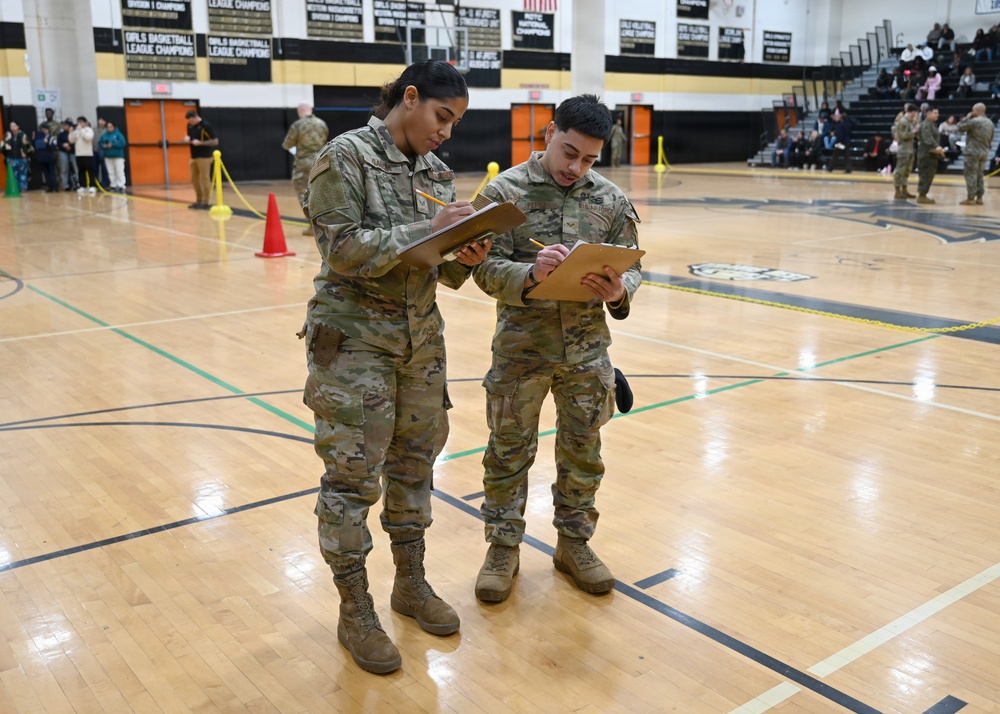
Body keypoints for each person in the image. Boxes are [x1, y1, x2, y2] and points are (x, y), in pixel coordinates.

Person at [302, 59, 490, 675]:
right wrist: (425, 229)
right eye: (442, 116)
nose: (447, 133)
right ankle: (354, 610)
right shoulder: (344, 156)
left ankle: (409, 584)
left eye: (455, 122)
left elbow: (437, 266)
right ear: (409, 98)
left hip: (419, 343)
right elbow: (344, 249)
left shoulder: (435, 170)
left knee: (415, 465)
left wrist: (467, 252)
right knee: (353, 479)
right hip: (355, 343)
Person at [470, 94, 641, 604]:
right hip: (522, 350)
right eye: (570, 152)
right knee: (507, 452)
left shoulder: (609, 199)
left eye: (589, 158)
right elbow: (477, 265)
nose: (577, 167)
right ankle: (503, 548)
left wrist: (620, 290)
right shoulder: (504, 194)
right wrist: (529, 273)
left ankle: (574, 544)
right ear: (548, 132)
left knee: (583, 453)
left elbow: (632, 265)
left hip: (587, 353)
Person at [282, 102, 329, 233]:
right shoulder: (321, 123)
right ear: (311, 110)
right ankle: (326, 225)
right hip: (321, 162)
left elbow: (287, 144)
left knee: (304, 195)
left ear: (299, 111)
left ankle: (312, 226)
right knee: (321, 194)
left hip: (303, 164)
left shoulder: (298, 125)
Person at [956, 102, 995, 205]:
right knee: (980, 174)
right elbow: (991, 137)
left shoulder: (974, 121)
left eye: (973, 110)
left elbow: (959, 127)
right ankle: (980, 197)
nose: (972, 112)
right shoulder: (990, 122)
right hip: (984, 151)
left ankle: (970, 197)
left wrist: (967, 117)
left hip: (972, 152)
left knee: (970, 175)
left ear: (977, 111)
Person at [182, 109, 218, 209]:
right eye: (189, 121)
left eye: (192, 120)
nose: (190, 122)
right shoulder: (189, 125)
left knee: (204, 178)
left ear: (196, 117)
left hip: (204, 156)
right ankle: (199, 200)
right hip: (194, 156)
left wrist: (201, 143)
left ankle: (206, 202)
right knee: (194, 179)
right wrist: (188, 139)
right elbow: (191, 137)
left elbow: (215, 141)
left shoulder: (206, 126)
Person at [915, 106, 946, 204]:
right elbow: (928, 138)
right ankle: (921, 195)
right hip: (926, 155)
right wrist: (937, 147)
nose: (937, 115)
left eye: (938, 113)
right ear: (928, 114)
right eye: (935, 113)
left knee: (929, 175)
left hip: (931, 154)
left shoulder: (932, 124)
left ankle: (923, 194)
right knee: (925, 175)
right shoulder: (926, 125)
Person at [892, 103, 919, 200]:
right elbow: (902, 136)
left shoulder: (910, 122)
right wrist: (914, 132)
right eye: (915, 113)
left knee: (907, 171)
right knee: (900, 170)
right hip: (903, 150)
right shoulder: (903, 122)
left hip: (909, 149)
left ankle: (904, 190)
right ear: (912, 112)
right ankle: (897, 191)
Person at [1, 121, 32, 192]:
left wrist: (27, 154)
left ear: (18, 126)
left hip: (22, 158)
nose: (12, 127)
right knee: (13, 174)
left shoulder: (23, 135)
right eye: (11, 126)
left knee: (23, 174)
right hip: (11, 158)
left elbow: (28, 146)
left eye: (14, 126)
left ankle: (23, 188)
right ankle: (15, 189)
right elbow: (2, 146)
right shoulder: (7, 135)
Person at [69, 116, 95, 194]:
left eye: (81, 122)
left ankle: (92, 186)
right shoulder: (77, 131)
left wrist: (82, 130)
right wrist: (71, 132)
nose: (79, 124)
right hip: (79, 154)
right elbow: (71, 140)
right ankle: (83, 186)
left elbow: (88, 138)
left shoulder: (89, 130)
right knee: (81, 171)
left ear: (85, 123)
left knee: (90, 170)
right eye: (78, 122)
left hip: (87, 154)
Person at [100, 120, 127, 192]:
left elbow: (123, 143)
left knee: (119, 171)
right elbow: (100, 143)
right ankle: (113, 185)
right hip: (108, 156)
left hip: (118, 156)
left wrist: (112, 145)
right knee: (111, 171)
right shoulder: (104, 135)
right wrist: (104, 145)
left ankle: (121, 185)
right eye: (108, 127)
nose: (109, 128)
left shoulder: (118, 134)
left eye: (111, 126)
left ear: (114, 127)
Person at [32, 123, 58, 191]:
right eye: (43, 129)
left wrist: (47, 143)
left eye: (46, 129)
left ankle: (55, 186)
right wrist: (34, 139)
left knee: (52, 172)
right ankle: (50, 187)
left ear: (49, 130)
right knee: (45, 173)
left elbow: (54, 147)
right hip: (42, 157)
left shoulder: (52, 138)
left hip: (49, 157)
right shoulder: (40, 138)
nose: (44, 131)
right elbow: (36, 147)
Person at [56, 119, 78, 190]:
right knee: (64, 169)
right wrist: (63, 145)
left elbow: (76, 142)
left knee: (76, 169)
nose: (64, 126)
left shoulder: (75, 133)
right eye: (64, 125)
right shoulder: (61, 134)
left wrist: (69, 146)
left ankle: (77, 184)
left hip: (73, 152)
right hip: (63, 152)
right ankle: (66, 186)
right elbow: (58, 144)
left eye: (66, 125)